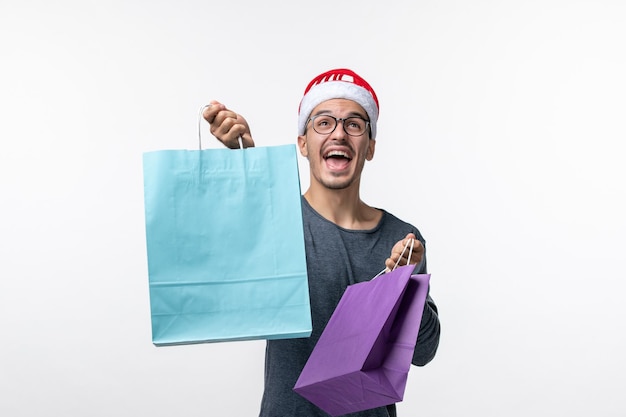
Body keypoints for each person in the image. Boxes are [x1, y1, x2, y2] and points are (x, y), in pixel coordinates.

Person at [203, 68, 441, 417]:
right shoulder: (277, 222)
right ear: (303, 143)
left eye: (354, 124)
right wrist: (249, 169)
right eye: (323, 122)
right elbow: (232, 292)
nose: (339, 134)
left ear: (370, 147)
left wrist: (405, 286)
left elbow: (423, 352)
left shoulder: (402, 239)